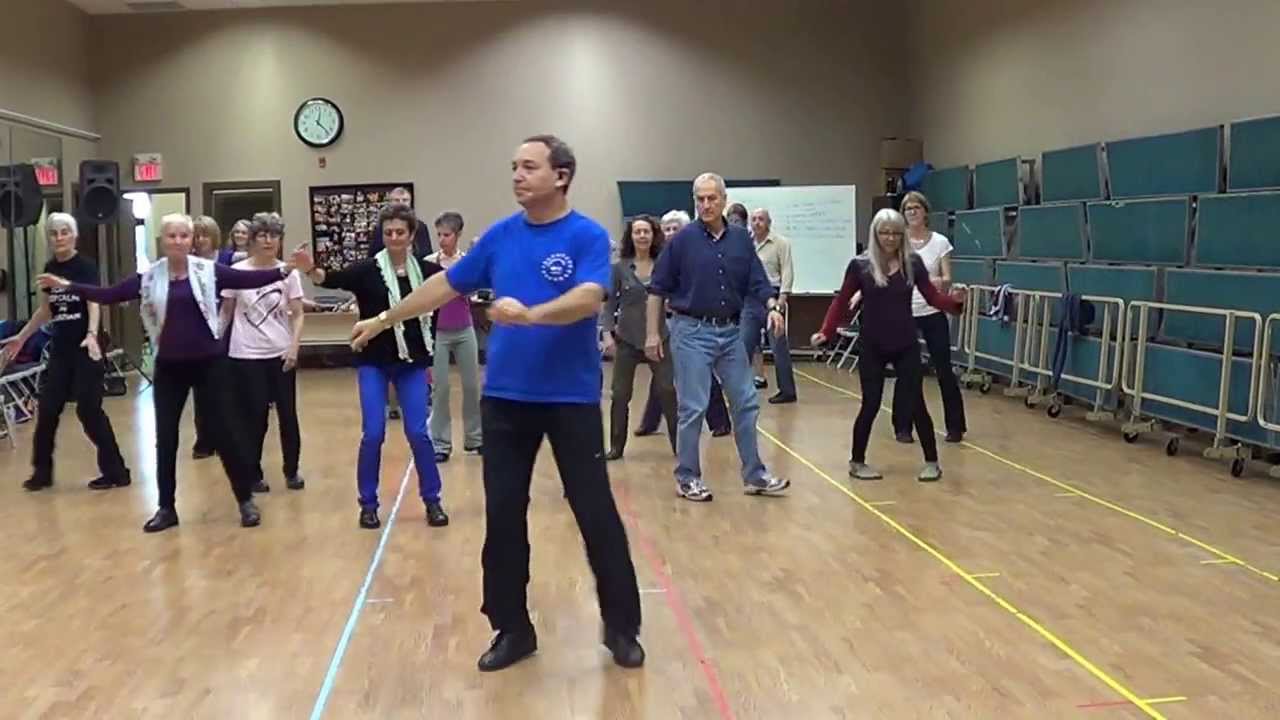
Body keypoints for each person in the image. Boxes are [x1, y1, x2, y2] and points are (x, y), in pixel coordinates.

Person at [347, 134, 643, 673]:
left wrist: (530, 314)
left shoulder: (587, 237)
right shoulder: (500, 238)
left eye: (529, 167)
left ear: (562, 176)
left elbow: (588, 298)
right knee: (504, 516)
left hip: (570, 399)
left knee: (594, 510)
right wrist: (384, 319)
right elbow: (443, 286)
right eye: (514, 167)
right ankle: (512, 627)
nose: (517, 175)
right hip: (505, 401)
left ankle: (622, 626)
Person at [37, 213, 293, 532]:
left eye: (184, 236)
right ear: (162, 240)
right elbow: (110, 294)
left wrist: (286, 269)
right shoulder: (149, 278)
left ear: (191, 240)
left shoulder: (208, 271)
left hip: (209, 365)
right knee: (166, 437)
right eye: (171, 236)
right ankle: (166, 508)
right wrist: (69, 286)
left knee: (225, 433)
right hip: (170, 366)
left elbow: (248, 280)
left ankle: (244, 500)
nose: (178, 241)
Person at [294, 204, 448, 529]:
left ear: (411, 236)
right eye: (388, 232)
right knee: (373, 433)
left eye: (400, 232)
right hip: (373, 363)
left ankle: (432, 500)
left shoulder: (428, 273)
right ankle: (368, 503)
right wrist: (310, 270)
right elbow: (330, 279)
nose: (393, 237)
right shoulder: (367, 270)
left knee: (419, 433)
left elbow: (453, 286)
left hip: (412, 363)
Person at [645, 172, 790, 502]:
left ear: (724, 200)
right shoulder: (682, 241)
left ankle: (755, 474)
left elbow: (757, 280)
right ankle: (687, 477)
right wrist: (653, 333)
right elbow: (657, 289)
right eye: (700, 199)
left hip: (729, 332)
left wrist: (772, 306)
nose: (706, 204)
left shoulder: (741, 239)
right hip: (690, 331)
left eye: (712, 198)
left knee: (746, 402)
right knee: (693, 407)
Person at [811, 208, 965, 482]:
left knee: (916, 402)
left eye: (895, 232)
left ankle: (932, 462)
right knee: (870, 404)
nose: (890, 238)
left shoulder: (913, 263)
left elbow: (932, 298)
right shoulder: (860, 265)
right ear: (875, 234)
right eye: (884, 232)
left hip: (905, 343)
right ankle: (857, 462)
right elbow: (842, 301)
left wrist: (955, 304)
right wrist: (826, 330)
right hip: (872, 344)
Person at [2, 213, 131, 492]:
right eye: (54, 233)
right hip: (61, 350)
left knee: (89, 410)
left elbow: (95, 301)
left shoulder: (85, 267)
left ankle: (117, 471)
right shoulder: (49, 268)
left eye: (64, 232)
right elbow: (47, 310)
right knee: (48, 409)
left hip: (86, 348)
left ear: (74, 236)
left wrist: (92, 334)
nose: (59, 237)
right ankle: (42, 472)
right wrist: (22, 338)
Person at [220, 212, 305, 493]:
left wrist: (294, 346)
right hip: (246, 354)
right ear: (253, 240)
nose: (269, 241)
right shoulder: (238, 272)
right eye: (262, 235)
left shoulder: (288, 272)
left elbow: (298, 312)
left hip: (280, 353)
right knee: (254, 417)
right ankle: (252, 472)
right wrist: (214, 341)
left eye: (274, 236)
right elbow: (226, 313)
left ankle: (291, 470)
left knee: (288, 415)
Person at [634, 209, 731, 438]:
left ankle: (720, 421)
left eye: (674, 229)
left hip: (691, 323)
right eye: (666, 229)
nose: (669, 233)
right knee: (663, 372)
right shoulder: (662, 256)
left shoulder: (696, 254)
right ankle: (650, 421)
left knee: (701, 372)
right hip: (664, 323)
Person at [891, 191, 966, 443]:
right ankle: (903, 426)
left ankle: (955, 426)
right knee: (907, 371)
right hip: (905, 313)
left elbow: (947, 280)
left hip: (932, 311)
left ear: (925, 212)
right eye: (907, 209)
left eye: (915, 207)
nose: (911, 212)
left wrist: (930, 281)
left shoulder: (940, 242)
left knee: (943, 368)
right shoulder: (898, 243)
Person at [602, 214, 677, 460]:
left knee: (667, 389)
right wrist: (607, 334)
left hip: (659, 337)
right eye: (637, 232)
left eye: (646, 232)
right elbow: (609, 303)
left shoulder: (665, 264)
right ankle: (616, 446)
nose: (642, 236)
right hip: (627, 338)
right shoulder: (619, 268)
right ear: (631, 236)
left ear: (654, 235)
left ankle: (680, 445)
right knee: (620, 393)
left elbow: (677, 295)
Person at [424, 211, 482, 463]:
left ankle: (475, 438)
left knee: (471, 385)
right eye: (439, 235)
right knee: (441, 388)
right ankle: (440, 442)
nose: (442, 239)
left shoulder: (467, 261)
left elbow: (474, 290)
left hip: (463, 329)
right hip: (438, 332)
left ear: (457, 235)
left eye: (446, 235)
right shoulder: (429, 262)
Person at [743, 208, 797, 404]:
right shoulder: (746, 243)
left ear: (769, 222)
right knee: (745, 344)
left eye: (761, 219)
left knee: (778, 346)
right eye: (754, 219)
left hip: (773, 297)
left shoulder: (780, 243)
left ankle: (787, 391)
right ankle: (739, 388)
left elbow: (787, 271)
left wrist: (782, 299)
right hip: (749, 299)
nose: (757, 223)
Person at [191, 214, 223, 459]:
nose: (201, 240)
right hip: (198, 332)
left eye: (205, 235)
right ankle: (204, 440)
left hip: (224, 329)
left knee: (223, 389)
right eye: (197, 235)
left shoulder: (226, 261)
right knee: (201, 392)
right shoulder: (188, 263)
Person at [367, 186, 432, 257]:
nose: (401, 203)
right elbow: (373, 254)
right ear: (390, 203)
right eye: (397, 200)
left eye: (405, 200)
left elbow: (427, 253)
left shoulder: (420, 226)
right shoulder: (381, 226)